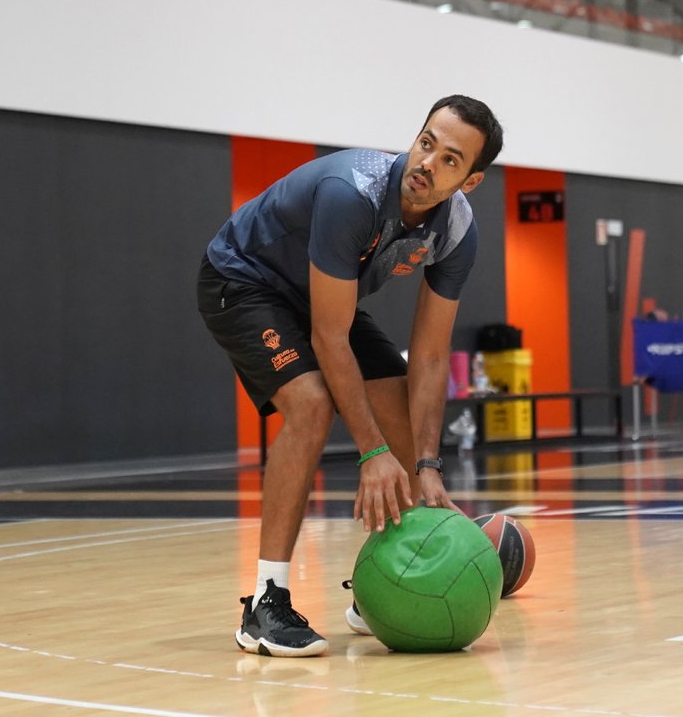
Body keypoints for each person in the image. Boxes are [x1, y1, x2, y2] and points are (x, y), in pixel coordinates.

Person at [196, 94, 504, 657]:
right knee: (311, 405)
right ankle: (266, 602)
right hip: (244, 281)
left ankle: (388, 582)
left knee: (405, 432)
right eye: (426, 143)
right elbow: (328, 339)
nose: (427, 163)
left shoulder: (457, 232)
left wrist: (427, 465)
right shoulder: (352, 193)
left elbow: (431, 358)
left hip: (321, 299)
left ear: (472, 180)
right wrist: (370, 453)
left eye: (450, 160)